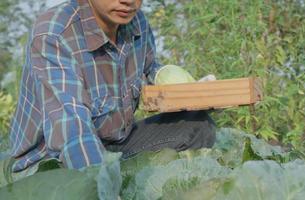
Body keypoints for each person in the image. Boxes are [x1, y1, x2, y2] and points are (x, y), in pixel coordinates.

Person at [9, 0, 216, 173]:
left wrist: (192, 93)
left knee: (197, 126)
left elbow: (150, 69)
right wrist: (101, 186)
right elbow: (72, 128)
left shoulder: (137, 22)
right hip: (54, 163)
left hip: (115, 145)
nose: (128, 1)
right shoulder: (54, 34)